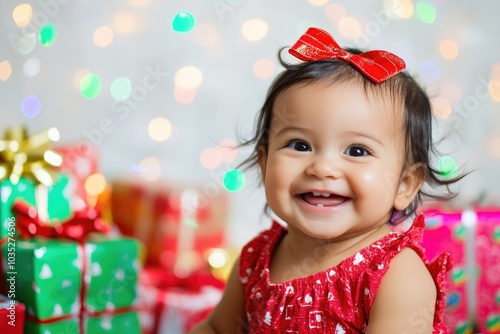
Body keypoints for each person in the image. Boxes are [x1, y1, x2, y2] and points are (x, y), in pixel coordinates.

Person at [190, 27, 465, 333]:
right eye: (299, 145)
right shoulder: (257, 259)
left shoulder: (397, 278)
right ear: (265, 162)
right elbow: (217, 328)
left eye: (357, 150)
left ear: (405, 184)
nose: (322, 168)